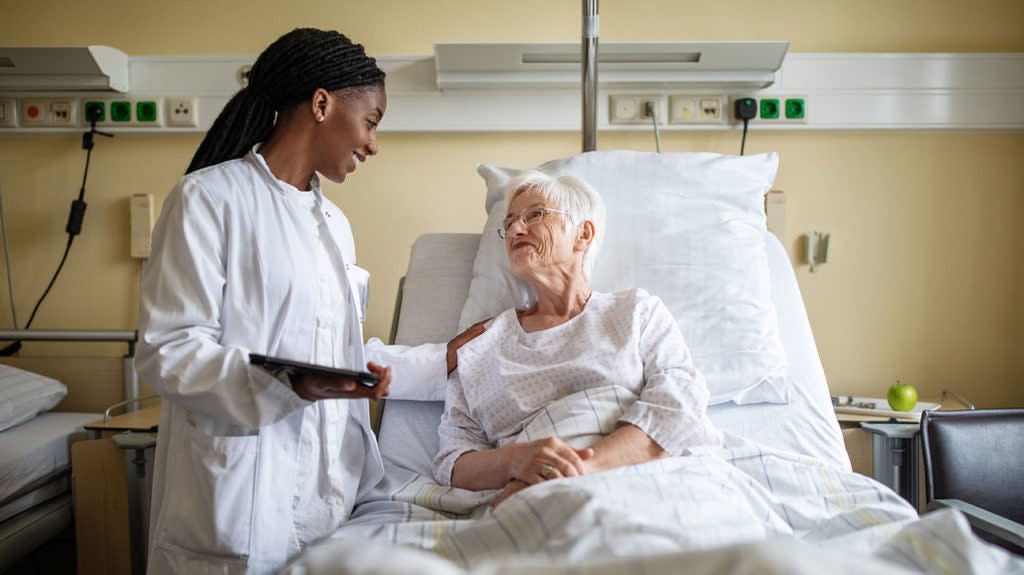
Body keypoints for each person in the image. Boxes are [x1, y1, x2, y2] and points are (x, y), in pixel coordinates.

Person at [137, 28, 481, 575]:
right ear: (321, 104)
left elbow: (332, 349)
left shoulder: (335, 226)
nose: (373, 144)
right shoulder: (207, 200)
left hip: (328, 499)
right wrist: (289, 381)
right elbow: (170, 351)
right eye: (370, 121)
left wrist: (438, 358)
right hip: (238, 501)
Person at [433, 171, 723, 507]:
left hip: (640, 482)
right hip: (531, 498)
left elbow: (680, 404)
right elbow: (453, 461)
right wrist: (516, 461)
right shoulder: (482, 346)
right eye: (509, 222)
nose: (514, 229)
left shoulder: (635, 313)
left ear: (583, 234)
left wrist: (578, 470)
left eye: (535, 215)